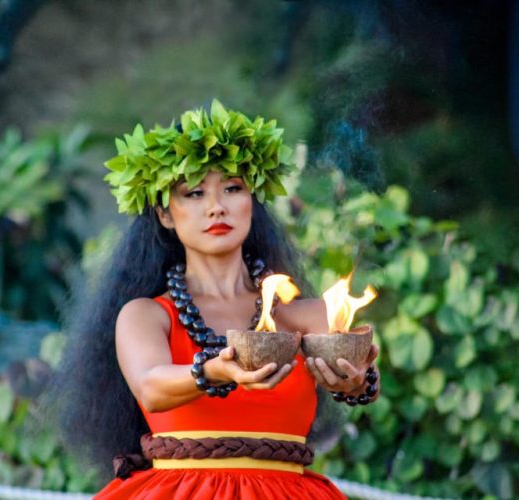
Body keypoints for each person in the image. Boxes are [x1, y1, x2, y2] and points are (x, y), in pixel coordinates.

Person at [56, 100, 379, 499]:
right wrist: (215, 371)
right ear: (165, 214)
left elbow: (355, 378)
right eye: (193, 193)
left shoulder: (309, 317)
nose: (216, 207)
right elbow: (151, 387)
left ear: (251, 202)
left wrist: (357, 380)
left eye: (232, 188)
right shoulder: (146, 315)